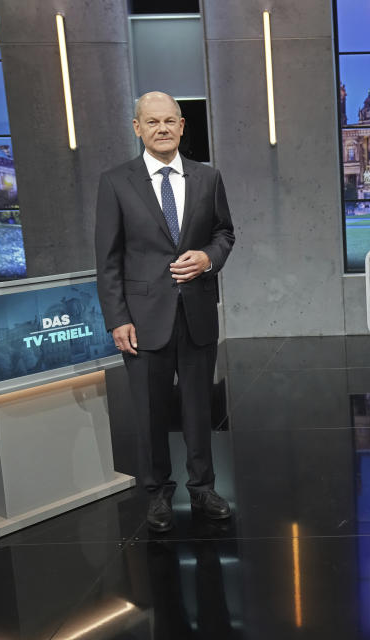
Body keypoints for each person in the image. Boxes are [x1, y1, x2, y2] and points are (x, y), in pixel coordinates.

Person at [95, 91, 235, 531]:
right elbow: (108, 259)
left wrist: (208, 258)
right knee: (150, 411)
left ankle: (203, 488)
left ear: (181, 126)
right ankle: (156, 493)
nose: (162, 129)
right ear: (137, 128)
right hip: (141, 318)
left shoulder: (207, 178)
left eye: (170, 121)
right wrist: (117, 318)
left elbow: (225, 233)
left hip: (196, 313)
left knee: (199, 407)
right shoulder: (116, 182)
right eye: (152, 122)